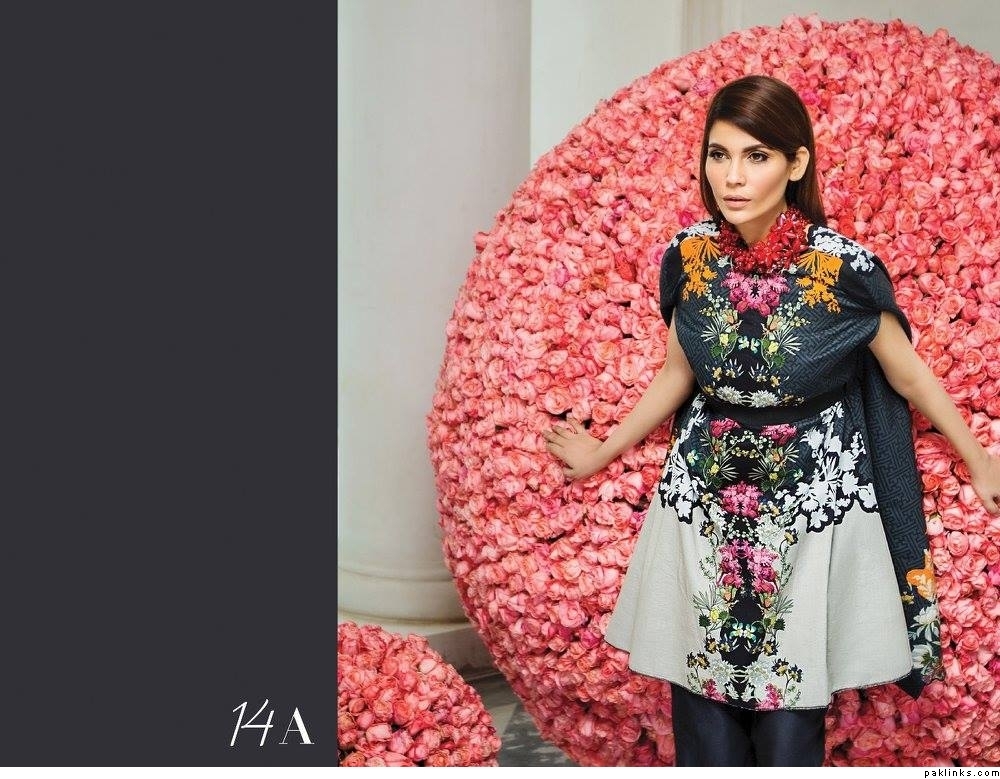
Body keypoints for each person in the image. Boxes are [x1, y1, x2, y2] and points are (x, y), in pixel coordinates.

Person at [543, 75, 1000, 767]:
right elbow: (678, 373)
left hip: (807, 502)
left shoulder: (842, 268)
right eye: (719, 154)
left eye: (756, 156)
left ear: (796, 162)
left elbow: (907, 375)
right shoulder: (689, 257)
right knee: (701, 696)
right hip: (703, 495)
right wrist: (600, 452)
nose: (733, 176)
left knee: (789, 707)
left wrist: (980, 459)